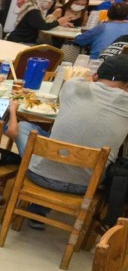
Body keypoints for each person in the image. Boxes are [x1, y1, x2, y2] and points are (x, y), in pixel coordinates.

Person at [16, 55, 128, 227]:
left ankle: (38, 206)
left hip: (39, 176)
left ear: (96, 76)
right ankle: (40, 210)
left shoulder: (72, 87)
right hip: (87, 187)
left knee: (24, 127)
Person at [7, 0, 71, 44]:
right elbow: (44, 27)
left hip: (23, 39)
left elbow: (40, 24)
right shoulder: (34, 11)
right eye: (49, 1)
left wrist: (59, 24)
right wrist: (58, 22)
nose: (52, 3)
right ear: (42, 1)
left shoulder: (34, 9)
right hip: (21, 41)